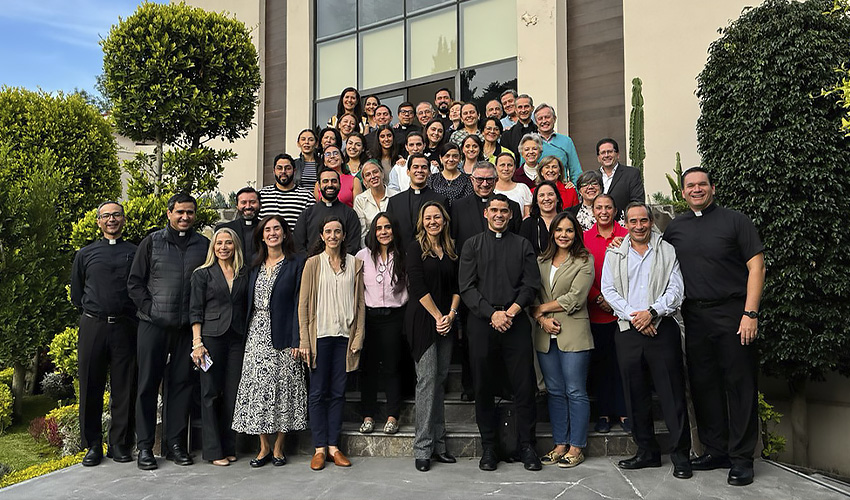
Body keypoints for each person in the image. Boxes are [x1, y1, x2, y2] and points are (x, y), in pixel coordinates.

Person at [662, 167, 765, 487]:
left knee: (740, 384)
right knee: (704, 385)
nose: (696, 189)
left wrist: (750, 313)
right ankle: (716, 449)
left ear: (713, 188)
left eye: (702, 184)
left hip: (734, 313)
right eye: (690, 186)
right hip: (695, 315)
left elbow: (756, 265)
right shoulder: (675, 228)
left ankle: (741, 459)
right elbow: (655, 262)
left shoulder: (736, 221)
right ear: (682, 193)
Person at [601, 202, 692, 480]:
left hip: (661, 329)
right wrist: (635, 316)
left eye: (644, 220)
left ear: (651, 221)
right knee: (635, 394)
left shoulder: (667, 251)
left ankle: (680, 456)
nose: (639, 226)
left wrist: (652, 313)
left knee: (671, 394)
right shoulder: (615, 252)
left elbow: (676, 289)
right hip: (629, 330)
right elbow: (609, 290)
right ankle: (647, 452)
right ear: (625, 223)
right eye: (633, 221)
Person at [459, 194, 543, 472]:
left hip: (515, 321)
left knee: (523, 385)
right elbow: (467, 287)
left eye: (504, 211)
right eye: (493, 210)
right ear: (486, 214)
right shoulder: (472, 245)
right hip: (482, 323)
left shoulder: (522, 245)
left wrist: (510, 312)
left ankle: (527, 445)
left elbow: (531, 284)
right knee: (483, 386)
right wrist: (491, 313)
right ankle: (489, 447)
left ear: (510, 215)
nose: (498, 215)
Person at [128, 193, 210, 470]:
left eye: (189, 212)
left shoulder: (203, 245)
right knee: (147, 385)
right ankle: (145, 448)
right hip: (152, 326)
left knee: (182, 386)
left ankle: (175, 444)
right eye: (180, 212)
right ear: (169, 213)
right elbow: (135, 283)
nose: (185, 217)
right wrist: (152, 311)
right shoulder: (152, 242)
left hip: (187, 329)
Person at [231, 215, 308, 468]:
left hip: (285, 334)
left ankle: (279, 447)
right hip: (256, 333)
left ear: (285, 234)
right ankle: (263, 446)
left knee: (284, 389)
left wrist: (298, 338)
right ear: (261, 236)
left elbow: (300, 302)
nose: (272, 233)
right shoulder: (253, 265)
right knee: (259, 388)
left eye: (277, 229)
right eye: (268, 230)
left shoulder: (297, 263)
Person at [70, 201, 138, 467]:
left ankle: (120, 444)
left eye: (116, 215)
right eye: (106, 216)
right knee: (90, 385)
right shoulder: (85, 254)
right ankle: (93, 445)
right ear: (98, 222)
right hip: (93, 326)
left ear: (124, 220)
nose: (112, 220)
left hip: (125, 327)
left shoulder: (136, 252)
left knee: (125, 387)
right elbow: (77, 295)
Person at [298, 217, 365, 471]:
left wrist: (358, 336)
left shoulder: (355, 265)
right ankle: (319, 448)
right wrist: (304, 339)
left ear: (344, 235)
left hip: (344, 338)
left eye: (338, 231)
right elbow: (303, 305)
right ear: (322, 236)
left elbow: (360, 305)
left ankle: (334, 447)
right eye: (328, 231)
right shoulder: (313, 264)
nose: (333, 235)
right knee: (317, 393)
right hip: (320, 337)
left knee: (338, 392)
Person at [530, 211, 594, 469]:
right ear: (552, 233)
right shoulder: (541, 260)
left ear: (575, 233)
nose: (563, 235)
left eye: (569, 230)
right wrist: (541, 318)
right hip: (545, 335)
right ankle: (560, 444)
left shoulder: (584, 260)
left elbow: (576, 298)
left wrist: (542, 309)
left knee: (575, 391)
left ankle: (576, 447)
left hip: (574, 334)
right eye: (559, 230)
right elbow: (532, 294)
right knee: (555, 392)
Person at [406, 202, 460, 472]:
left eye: (437, 217)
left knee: (439, 382)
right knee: (427, 381)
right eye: (428, 217)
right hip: (423, 321)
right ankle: (423, 448)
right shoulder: (415, 248)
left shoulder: (450, 248)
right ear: (421, 221)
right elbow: (417, 285)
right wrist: (438, 316)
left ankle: (439, 444)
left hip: (446, 322)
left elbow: (457, 286)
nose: (433, 221)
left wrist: (450, 315)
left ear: (444, 220)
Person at [189, 228, 249, 466]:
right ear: (213, 248)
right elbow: (195, 310)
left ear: (235, 246)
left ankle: (229, 446)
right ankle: (214, 451)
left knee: (233, 394)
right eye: (219, 243)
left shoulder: (244, 273)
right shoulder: (202, 274)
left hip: (236, 338)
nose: (223, 247)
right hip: (211, 338)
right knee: (210, 393)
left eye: (228, 243)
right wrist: (197, 342)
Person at [356, 214, 408, 437]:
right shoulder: (362, 256)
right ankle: (368, 416)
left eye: (388, 227)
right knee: (367, 368)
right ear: (373, 232)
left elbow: (410, 288)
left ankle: (391, 416)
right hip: (369, 317)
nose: (383, 232)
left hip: (395, 317)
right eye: (379, 228)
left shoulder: (403, 256)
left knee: (391, 367)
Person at [583, 194, 629, 434]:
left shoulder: (627, 235)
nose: (603, 211)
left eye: (608, 207)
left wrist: (615, 303)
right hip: (596, 311)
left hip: (622, 313)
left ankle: (623, 411)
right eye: (598, 207)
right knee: (601, 365)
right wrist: (597, 298)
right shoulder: (584, 238)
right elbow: (579, 272)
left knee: (622, 364)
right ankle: (603, 413)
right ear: (593, 210)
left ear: (615, 210)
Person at [386, 153, 448, 249]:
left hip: (431, 256)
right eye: (415, 167)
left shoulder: (440, 200)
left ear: (429, 172)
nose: (419, 170)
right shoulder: (395, 202)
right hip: (402, 257)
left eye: (424, 167)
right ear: (408, 172)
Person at [294, 168, 362, 255]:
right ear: (318, 186)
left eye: (334, 181)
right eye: (325, 181)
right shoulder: (307, 214)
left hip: (342, 265)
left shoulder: (350, 214)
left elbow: (353, 245)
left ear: (340, 185)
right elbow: (298, 246)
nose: (330, 185)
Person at [258, 153, 316, 232]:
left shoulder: (307, 197)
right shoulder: (262, 195)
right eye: (279, 168)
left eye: (288, 168)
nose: (283, 171)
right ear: (274, 171)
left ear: (294, 171)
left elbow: (312, 227)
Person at [532, 104, 582, 185]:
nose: (544, 121)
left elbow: (576, 170)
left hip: (562, 190)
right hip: (538, 191)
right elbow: (525, 170)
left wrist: (574, 188)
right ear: (536, 122)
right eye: (540, 118)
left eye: (547, 117)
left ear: (554, 119)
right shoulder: (531, 143)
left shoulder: (566, 141)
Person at [353, 160, 398, 246]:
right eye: (368, 175)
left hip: (394, 245)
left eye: (375, 172)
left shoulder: (396, 195)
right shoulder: (360, 200)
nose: (373, 176)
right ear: (364, 181)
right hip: (371, 246)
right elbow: (362, 232)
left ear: (382, 174)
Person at [597, 138, 645, 213]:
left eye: (610, 152)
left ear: (618, 155)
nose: (606, 155)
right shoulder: (594, 177)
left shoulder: (632, 174)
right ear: (598, 158)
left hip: (623, 222)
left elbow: (637, 202)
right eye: (603, 153)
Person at [217, 186, 260, 264]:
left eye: (252, 202)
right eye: (243, 202)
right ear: (237, 206)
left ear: (260, 205)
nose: (248, 206)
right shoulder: (225, 229)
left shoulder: (266, 229)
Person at [519, 180, 563, 255]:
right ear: (536, 200)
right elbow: (522, 252)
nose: (546, 198)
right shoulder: (528, 224)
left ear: (557, 198)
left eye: (550, 194)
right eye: (541, 195)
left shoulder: (567, 221)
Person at [427, 142, 473, 207]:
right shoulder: (432, 179)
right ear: (440, 158)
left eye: (455, 156)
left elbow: (468, 203)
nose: (451, 159)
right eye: (447, 156)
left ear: (460, 158)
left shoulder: (467, 180)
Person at [494, 152, 532, 218]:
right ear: (496, 167)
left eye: (509, 165)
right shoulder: (490, 189)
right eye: (502, 165)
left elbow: (527, 215)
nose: (506, 169)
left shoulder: (523, 188)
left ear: (514, 168)